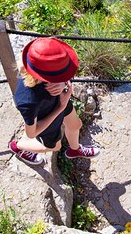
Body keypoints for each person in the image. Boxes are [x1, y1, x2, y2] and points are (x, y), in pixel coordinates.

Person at [9, 36, 100, 165]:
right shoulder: (28, 100)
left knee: (75, 125)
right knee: (54, 146)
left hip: (58, 101)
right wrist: (61, 107)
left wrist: (63, 83)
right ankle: (19, 146)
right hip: (47, 117)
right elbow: (32, 132)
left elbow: (63, 73)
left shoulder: (38, 62)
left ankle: (75, 150)